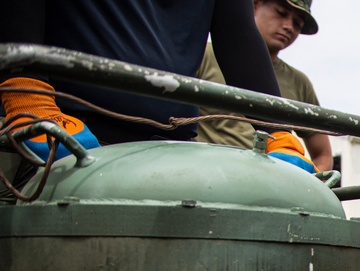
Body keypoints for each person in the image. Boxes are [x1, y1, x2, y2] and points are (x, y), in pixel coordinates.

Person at [0, 0, 312, 169]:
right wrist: (28, 92)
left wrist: (278, 131)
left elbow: (238, 35)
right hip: (69, 137)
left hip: (172, 151)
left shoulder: (300, 79)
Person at [195, 0, 332, 172]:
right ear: (255, 5)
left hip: (269, 185)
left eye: (297, 23)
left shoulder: (299, 82)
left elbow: (323, 154)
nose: (289, 26)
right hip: (208, 178)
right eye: (281, 13)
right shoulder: (204, 55)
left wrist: (310, 180)